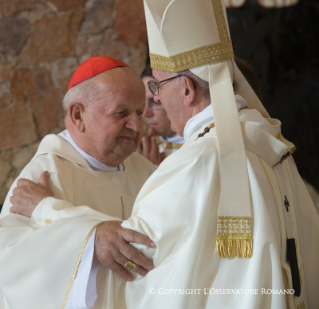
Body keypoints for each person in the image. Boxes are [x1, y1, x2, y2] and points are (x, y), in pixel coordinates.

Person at [8, 1, 319, 309]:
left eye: (157, 85)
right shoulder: (267, 144)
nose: (151, 103)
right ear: (77, 116)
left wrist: (47, 210)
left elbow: (132, 263)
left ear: (186, 89)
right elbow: (11, 268)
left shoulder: (190, 163)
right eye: (121, 112)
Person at [0, 56, 157, 309]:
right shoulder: (45, 174)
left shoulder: (148, 172)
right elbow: (10, 262)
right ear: (77, 115)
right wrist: (90, 239)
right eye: (121, 113)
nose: (137, 125)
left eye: (139, 112)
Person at [137, 65, 184, 165]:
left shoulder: (201, 145)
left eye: (156, 102)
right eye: (142, 104)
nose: (145, 113)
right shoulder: (140, 148)